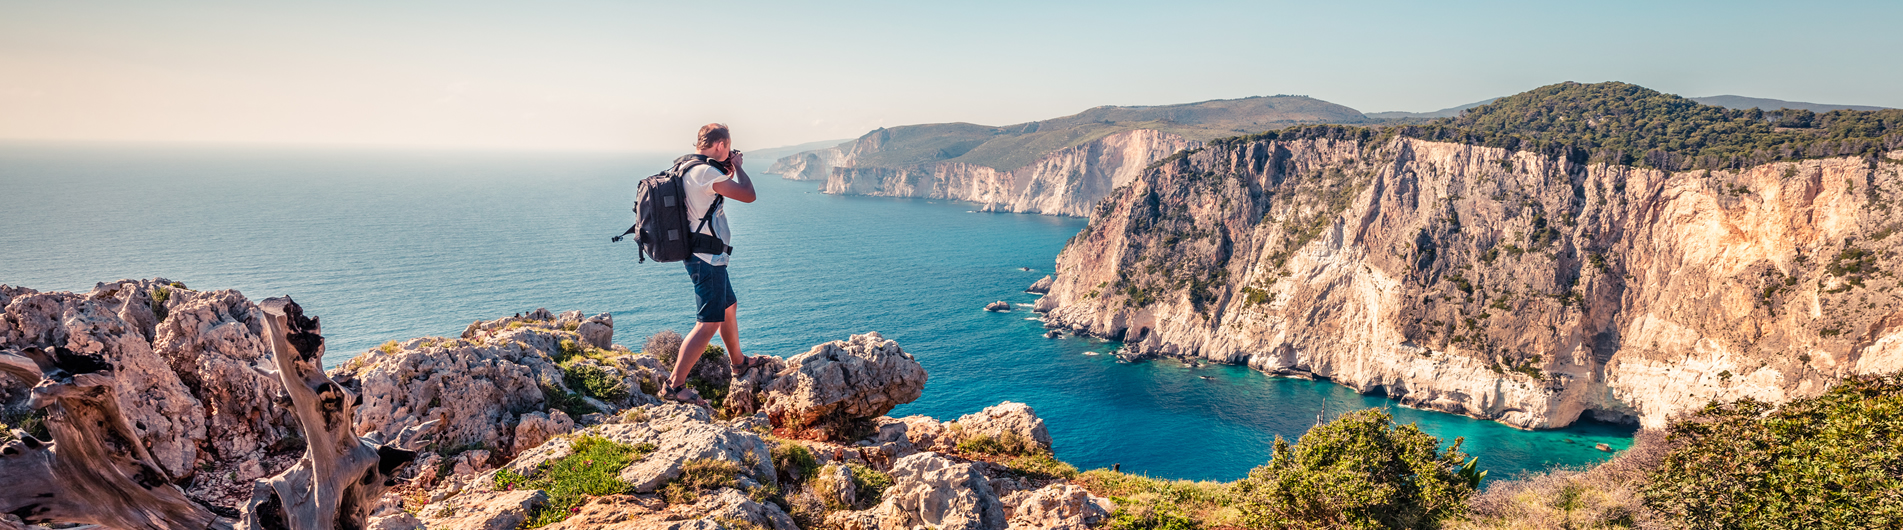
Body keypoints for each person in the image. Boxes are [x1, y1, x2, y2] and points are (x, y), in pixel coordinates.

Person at [664, 123, 759, 404]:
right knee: (708, 322)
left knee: (729, 307)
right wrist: (739, 167)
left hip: (704, 255)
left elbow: (708, 194)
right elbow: (748, 194)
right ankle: (674, 385)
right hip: (706, 259)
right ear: (721, 145)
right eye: (728, 148)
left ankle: (739, 363)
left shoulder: (688, 167)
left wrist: (726, 168)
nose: (730, 152)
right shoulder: (705, 172)